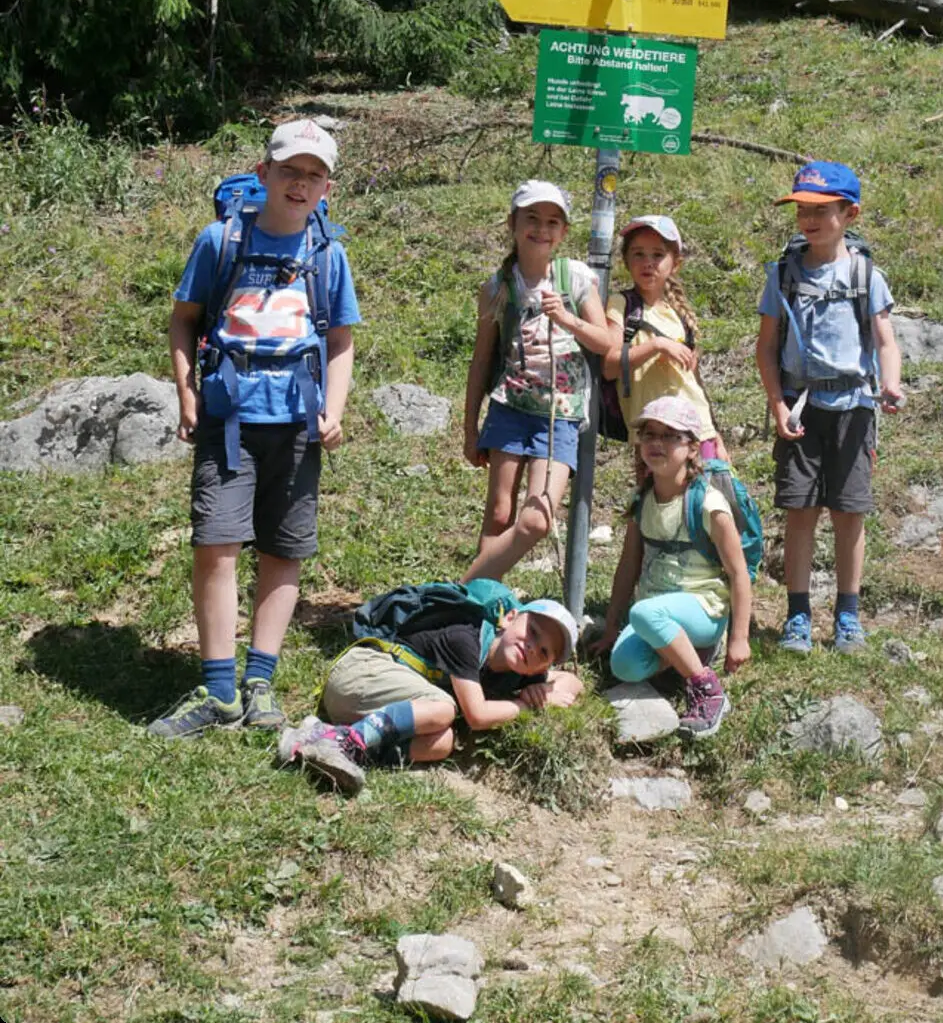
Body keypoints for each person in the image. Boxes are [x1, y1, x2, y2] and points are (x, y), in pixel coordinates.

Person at [149, 119, 360, 737]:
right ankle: (218, 691)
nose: (300, 184)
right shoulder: (220, 241)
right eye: (290, 171)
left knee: (283, 549)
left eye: (313, 175)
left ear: (328, 188)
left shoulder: (328, 255)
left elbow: (341, 340)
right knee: (215, 546)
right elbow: (184, 321)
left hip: (297, 422)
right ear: (264, 174)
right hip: (228, 417)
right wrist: (188, 394)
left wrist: (336, 409)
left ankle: (259, 681)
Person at [754, 160, 902, 656]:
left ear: (850, 212)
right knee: (800, 512)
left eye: (821, 209)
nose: (809, 219)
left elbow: (885, 340)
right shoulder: (782, 274)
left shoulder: (865, 274)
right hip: (801, 406)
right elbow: (766, 346)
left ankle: (847, 616)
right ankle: (797, 615)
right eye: (802, 210)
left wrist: (892, 384)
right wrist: (776, 404)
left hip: (855, 406)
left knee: (849, 513)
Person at [280, 593, 582, 794]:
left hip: (369, 703)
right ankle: (344, 744)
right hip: (361, 673)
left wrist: (544, 690)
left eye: (544, 651)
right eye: (532, 631)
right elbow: (477, 716)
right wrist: (526, 706)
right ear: (509, 618)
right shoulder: (468, 638)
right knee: (444, 708)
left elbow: (573, 682)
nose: (532, 646)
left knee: (441, 743)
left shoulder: (519, 671)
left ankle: (319, 739)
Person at [461, 181, 609, 582]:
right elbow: (482, 360)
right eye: (532, 219)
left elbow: (606, 341)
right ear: (513, 223)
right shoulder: (497, 288)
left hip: (559, 415)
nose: (541, 229)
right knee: (498, 512)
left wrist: (567, 318)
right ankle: (482, 608)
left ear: (563, 232)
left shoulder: (574, 277)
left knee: (537, 518)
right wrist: (469, 427)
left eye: (552, 222)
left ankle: (464, 589)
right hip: (509, 408)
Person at [590, 396, 751, 738]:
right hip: (656, 610)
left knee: (646, 614)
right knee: (624, 665)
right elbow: (627, 566)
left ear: (693, 448)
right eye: (649, 435)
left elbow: (738, 573)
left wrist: (740, 637)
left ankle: (708, 690)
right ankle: (689, 655)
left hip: (702, 609)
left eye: (669, 436)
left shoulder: (708, 503)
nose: (656, 444)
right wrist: (611, 626)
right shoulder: (642, 501)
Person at [601, 214, 726, 461]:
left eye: (658, 255)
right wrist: (657, 345)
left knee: (704, 496)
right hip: (652, 433)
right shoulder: (621, 305)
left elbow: (694, 381)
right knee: (657, 497)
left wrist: (715, 433)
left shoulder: (677, 313)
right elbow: (610, 366)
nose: (648, 263)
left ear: (675, 263)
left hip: (697, 429)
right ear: (626, 261)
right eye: (638, 254)